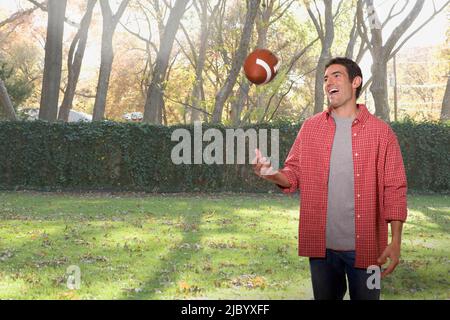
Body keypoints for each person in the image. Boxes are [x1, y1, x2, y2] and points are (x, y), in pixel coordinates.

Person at [252, 57, 407, 300]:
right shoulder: (311, 128)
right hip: (321, 251)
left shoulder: (381, 133)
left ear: (355, 82)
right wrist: (271, 174)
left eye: (336, 76)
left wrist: (396, 241)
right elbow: (293, 174)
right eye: (325, 78)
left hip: (368, 249)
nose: (328, 82)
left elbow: (395, 188)